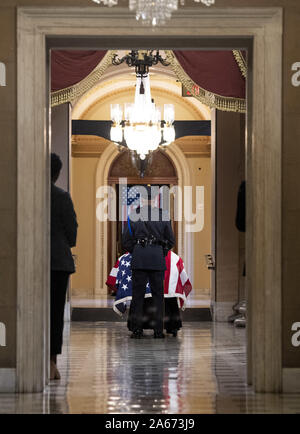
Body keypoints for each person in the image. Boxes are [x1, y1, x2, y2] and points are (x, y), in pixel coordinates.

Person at [122, 185, 175, 339]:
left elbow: (126, 241)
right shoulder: (164, 215)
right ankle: (159, 331)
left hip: (139, 259)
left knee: (137, 297)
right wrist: (160, 251)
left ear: (142, 198)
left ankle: (137, 331)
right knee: (158, 297)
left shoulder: (133, 215)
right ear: (156, 198)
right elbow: (171, 240)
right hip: (157, 259)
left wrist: (138, 250)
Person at [50, 153, 78, 379]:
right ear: (58, 173)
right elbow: (72, 234)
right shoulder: (62, 197)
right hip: (58, 262)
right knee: (56, 313)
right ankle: (51, 363)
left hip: (34, 260)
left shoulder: (29, 195)